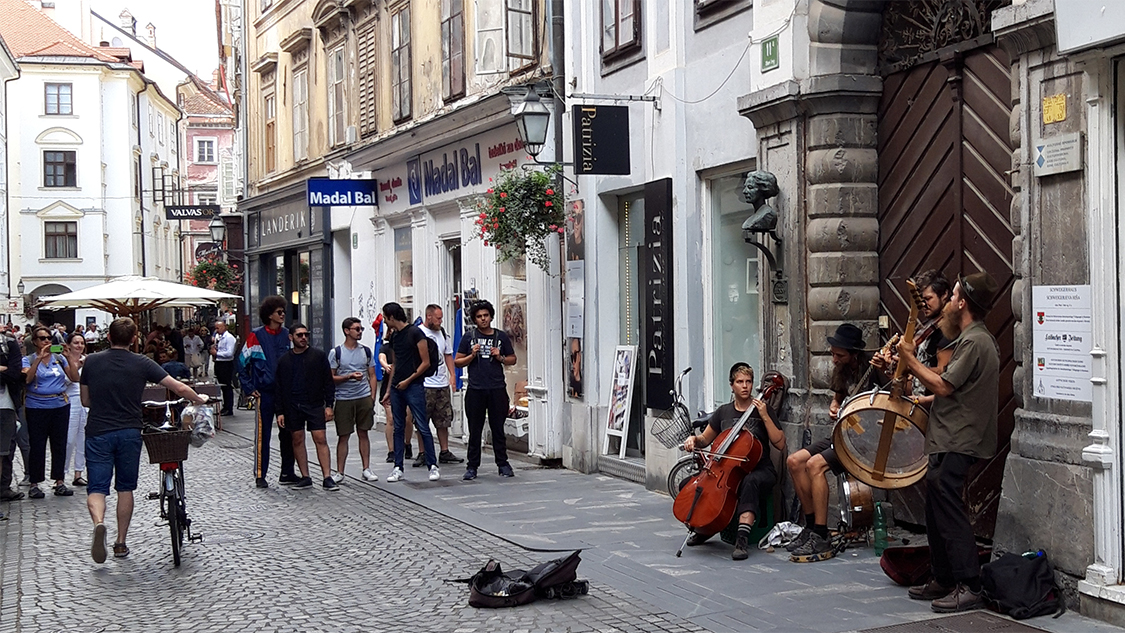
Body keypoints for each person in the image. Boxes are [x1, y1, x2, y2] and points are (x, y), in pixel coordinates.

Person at [897, 272, 1000, 613]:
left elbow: (944, 386)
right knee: (935, 505)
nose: (950, 301)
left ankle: (969, 584)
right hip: (948, 436)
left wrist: (909, 360)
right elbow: (949, 389)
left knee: (950, 508)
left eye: (954, 294)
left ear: (962, 303)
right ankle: (942, 576)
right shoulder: (967, 338)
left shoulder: (974, 341)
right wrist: (918, 399)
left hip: (961, 438)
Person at [81, 317, 208, 562]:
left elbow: (85, 401)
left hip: (98, 430)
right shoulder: (141, 362)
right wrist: (198, 399)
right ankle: (120, 542)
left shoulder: (93, 362)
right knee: (125, 488)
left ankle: (98, 523)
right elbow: (177, 387)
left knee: (97, 487)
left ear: (109, 337)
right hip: (129, 431)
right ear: (133, 339)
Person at [785, 323, 881, 562]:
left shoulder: (874, 368)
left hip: (865, 440)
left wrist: (888, 368)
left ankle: (821, 533)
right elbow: (838, 397)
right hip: (843, 433)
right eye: (833, 353)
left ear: (854, 354)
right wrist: (834, 406)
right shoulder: (841, 368)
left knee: (815, 465)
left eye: (840, 355)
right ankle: (810, 526)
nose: (834, 358)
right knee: (795, 461)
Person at [681, 363, 786, 560]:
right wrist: (693, 440)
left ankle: (742, 539)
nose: (745, 386)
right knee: (688, 485)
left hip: (760, 469)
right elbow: (705, 440)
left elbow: (780, 443)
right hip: (726, 470)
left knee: (749, 483)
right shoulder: (723, 412)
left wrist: (764, 415)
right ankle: (705, 529)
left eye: (748, 382)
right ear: (732, 385)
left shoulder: (763, 409)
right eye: (740, 382)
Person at [454, 300, 516, 481]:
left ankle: (503, 464)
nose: (483, 319)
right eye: (479, 317)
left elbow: (513, 359)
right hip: (475, 389)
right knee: (475, 429)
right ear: (474, 319)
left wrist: (501, 357)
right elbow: (457, 361)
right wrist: (472, 355)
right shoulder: (469, 337)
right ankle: (472, 466)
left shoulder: (501, 336)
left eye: (486, 316)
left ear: (491, 316)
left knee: (498, 428)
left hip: (497, 388)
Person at [239, 296, 296, 489]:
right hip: (264, 393)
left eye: (284, 312)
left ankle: (287, 472)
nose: (283, 315)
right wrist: (249, 388)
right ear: (270, 314)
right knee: (262, 436)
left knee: (288, 434)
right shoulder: (256, 336)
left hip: (285, 393)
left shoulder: (288, 335)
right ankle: (260, 474)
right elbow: (241, 364)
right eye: (279, 312)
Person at [275, 323, 337, 491]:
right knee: (297, 439)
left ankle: (327, 476)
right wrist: (280, 411)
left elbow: (328, 382)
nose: (303, 338)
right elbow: (279, 387)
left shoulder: (318, 356)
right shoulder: (284, 360)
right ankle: (305, 476)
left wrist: (329, 405)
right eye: (299, 335)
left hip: (314, 403)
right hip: (292, 405)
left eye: (305, 335)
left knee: (320, 438)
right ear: (291, 338)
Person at [381, 302, 438, 483]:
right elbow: (395, 364)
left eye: (384, 316)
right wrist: (390, 388)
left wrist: (409, 380)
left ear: (391, 316)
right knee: (398, 427)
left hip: (413, 386)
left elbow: (425, 362)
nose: (383, 320)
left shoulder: (415, 333)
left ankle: (432, 465)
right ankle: (398, 466)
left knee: (422, 425)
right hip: (398, 387)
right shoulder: (395, 337)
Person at [22, 325, 80, 499]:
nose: (47, 341)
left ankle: (59, 481)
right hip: (37, 406)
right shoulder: (29, 360)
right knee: (37, 445)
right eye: (42, 338)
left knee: (59, 444)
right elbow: (27, 379)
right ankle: (35, 482)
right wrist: (39, 358)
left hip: (59, 405)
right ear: (35, 342)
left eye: (49, 338)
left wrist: (69, 358)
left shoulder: (58, 359)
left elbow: (75, 378)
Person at [328, 317, 379, 483]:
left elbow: (372, 374)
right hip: (343, 398)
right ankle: (340, 472)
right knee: (344, 435)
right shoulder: (336, 353)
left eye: (361, 329)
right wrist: (349, 376)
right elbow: (330, 378)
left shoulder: (366, 351)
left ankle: (366, 468)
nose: (360, 332)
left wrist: (372, 396)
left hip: (362, 396)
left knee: (363, 432)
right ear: (346, 331)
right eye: (357, 329)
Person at [420, 305, 462, 466]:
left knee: (443, 419)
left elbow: (448, 354)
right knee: (422, 419)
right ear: (428, 317)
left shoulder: (443, 333)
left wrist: (452, 376)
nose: (441, 321)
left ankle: (444, 451)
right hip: (425, 383)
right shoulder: (419, 333)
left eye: (441, 318)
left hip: (441, 383)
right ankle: (423, 452)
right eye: (438, 318)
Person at [378, 332, 414, 464]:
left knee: (408, 418)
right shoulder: (386, 347)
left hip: (408, 385)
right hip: (390, 386)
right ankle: (391, 450)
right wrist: (385, 365)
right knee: (391, 419)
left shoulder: (409, 347)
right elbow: (381, 357)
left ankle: (407, 443)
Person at [0, 327, 24, 505]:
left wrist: (6, 372)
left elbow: (15, 373)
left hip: (6, 405)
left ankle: (3, 487)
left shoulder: (9, 344)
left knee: (5, 451)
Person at [63, 333, 88, 488]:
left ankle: (79, 472)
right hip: (70, 399)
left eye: (81, 342)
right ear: (69, 344)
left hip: (84, 401)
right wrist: (76, 366)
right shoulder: (63, 361)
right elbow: (62, 381)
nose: (79, 345)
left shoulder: (87, 360)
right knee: (68, 439)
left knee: (83, 439)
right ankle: (61, 474)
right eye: (76, 342)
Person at [211, 319, 237, 416]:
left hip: (226, 364)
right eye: (216, 328)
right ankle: (225, 406)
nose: (217, 330)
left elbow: (229, 353)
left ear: (224, 327)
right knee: (222, 386)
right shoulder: (219, 336)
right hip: (219, 363)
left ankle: (229, 408)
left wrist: (217, 353)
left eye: (219, 328)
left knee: (226, 386)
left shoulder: (229, 338)